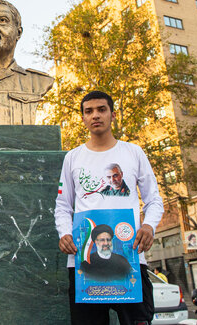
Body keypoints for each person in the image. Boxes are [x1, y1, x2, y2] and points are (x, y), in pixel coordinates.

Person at [55, 90, 164, 325]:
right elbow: (63, 206)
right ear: (83, 118)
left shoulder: (133, 152)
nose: (95, 115)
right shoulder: (73, 158)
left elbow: (154, 200)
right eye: (89, 111)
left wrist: (149, 226)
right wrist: (64, 233)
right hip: (84, 265)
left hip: (131, 259)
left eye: (101, 109)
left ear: (112, 115)